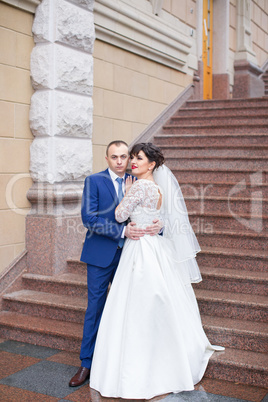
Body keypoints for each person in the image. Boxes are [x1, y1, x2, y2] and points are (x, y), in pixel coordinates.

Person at [89, 142, 224, 399]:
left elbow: (119, 216)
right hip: (155, 247)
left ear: (152, 164)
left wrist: (126, 193)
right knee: (157, 299)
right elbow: (161, 217)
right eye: (133, 158)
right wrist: (155, 221)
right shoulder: (160, 189)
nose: (133, 162)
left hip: (139, 248)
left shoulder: (138, 186)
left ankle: (139, 363)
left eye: (139, 159)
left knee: (135, 304)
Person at [69, 140, 162, 387]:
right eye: (115, 157)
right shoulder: (95, 181)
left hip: (132, 256)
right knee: (96, 309)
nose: (121, 161)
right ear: (107, 159)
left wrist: (158, 227)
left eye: (124, 156)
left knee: (127, 310)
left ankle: (117, 362)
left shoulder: (141, 180)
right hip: (101, 255)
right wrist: (121, 233)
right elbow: (89, 218)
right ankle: (86, 363)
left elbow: (153, 214)